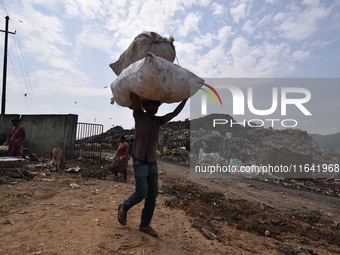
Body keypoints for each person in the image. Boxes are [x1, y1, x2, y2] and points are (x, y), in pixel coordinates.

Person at [117, 92, 188, 237]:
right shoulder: (139, 115)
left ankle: (145, 225)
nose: (155, 107)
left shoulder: (158, 121)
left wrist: (186, 97)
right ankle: (124, 207)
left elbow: (175, 113)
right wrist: (134, 88)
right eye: (152, 104)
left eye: (157, 105)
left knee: (152, 194)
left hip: (152, 161)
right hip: (139, 160)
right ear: (146, 106)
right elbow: (134, 97)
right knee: (141, 192)